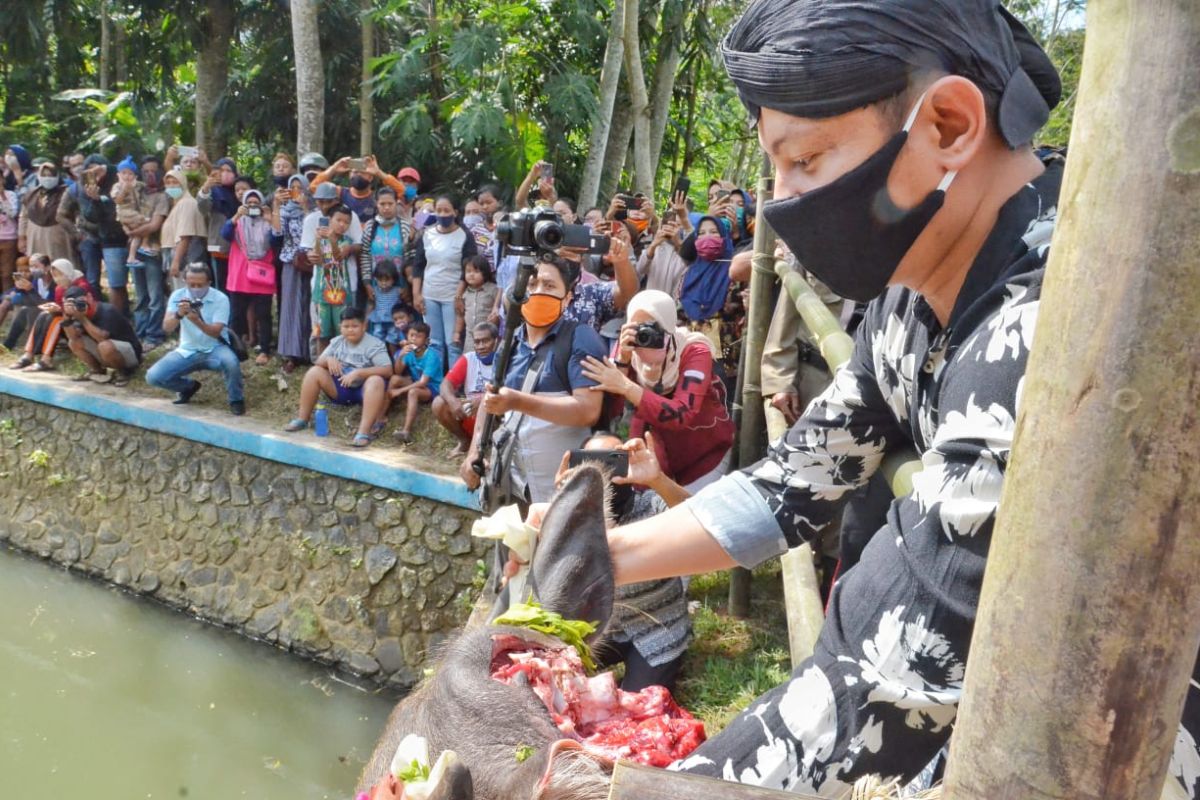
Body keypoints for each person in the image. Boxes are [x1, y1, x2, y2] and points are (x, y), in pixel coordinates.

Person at [578, 1, 1175, 795]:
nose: (780, 207)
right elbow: (796, 477)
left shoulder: (1052, 339)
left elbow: (882, 679)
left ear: (951, 125)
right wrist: (601, 558)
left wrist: (590, 785)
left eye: (810, 160)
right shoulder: (915, 293)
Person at [460, 257, 606, 504]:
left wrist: (517, 401)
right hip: (514, 485)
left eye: (549, 286)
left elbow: (587, 411)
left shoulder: (581, 338)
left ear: (568, 297)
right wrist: (474, 450)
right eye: (532, 285)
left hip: (565, 493)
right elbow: (490, 399)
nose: (539, 292)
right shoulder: (510, 344)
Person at [555, 432, 691, 692]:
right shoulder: (574, 517)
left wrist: (656, 479)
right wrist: (565, 501)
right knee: (554, 679)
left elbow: (699, 515)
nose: (605, 471)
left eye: (613, 459)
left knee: (638, 703)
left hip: (658, 627)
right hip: (600, 628)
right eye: (593, 463)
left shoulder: (651, 504)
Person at [582, 289, 734, 491]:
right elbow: (611, 406)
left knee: (686, 513)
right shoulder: (627, 346)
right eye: (638, 327)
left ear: (669, 326)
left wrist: (626, 385)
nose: (644, 334)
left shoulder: (693, 350)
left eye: (653, 327)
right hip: (655, 456)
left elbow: (681, 413)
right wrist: (623, 362)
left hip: (704, 456)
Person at [283, 306, 393, 448]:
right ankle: (302, 419)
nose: (350, 329)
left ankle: (363, 433)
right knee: (314, 372)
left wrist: (359, 373)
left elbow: (388, 370)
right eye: (346, 326)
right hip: (340, 389)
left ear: (364, 326)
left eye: (355, 326)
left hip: (365, 392)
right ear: (340, 327)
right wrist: (328, 360)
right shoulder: (337, 342)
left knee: (376, 380)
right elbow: (318, 362)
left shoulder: (374, 344)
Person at [146, 262, 245, 415]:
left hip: (215, 348)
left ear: (209, 283)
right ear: (185, 282)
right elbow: (166, 328)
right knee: (154, 376)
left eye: (200, 285)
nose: (196, 289)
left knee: (231, 363)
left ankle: (236, 399)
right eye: (192, 284)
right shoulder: (178, 296)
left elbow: (215, 331)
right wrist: (178, 315)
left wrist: (197, 321)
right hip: (187, 349)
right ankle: (188, 387)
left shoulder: (221, 299)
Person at [410, 196, 477, 368]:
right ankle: (435, 384)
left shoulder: (464, 236)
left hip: (452, 297)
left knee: (453, 343)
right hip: (429, 295)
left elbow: (467, 269)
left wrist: (459, 295)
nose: (442, 214)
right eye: (438, 210)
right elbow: (418, 266)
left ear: (455, 212)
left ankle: (453, 386)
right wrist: (416, 294)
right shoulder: (427, 234)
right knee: (434, 343)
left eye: (446, 210)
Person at [222, 189, 281, 366]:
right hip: (240, 274)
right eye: (250, 203)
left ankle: (264, 350)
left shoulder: (267, 222)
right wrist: (235, 217)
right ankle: (234, 348)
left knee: (264, 315)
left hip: (262, 274)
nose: (253, 207)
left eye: (257, 203)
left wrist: (271, 220)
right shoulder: (238, 222)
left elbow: (277, 241)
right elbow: (224, 234)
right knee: (236, 315)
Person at [9, 258, 97, 371]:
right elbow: (55, 306)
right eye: (55, 276)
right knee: (44, 314)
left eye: (60, 275)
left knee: (57, 320)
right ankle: (28, 355)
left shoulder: (81, 286)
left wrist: (62, 311)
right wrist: (31, 291)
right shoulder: (59, 288)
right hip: (67, 318)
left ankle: (46, 360)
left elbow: (81, 311)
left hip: (83, 322)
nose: (58, 279)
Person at [433, 321, 497, 455]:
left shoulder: (506, 360)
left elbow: (511, 391)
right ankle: (465, 442)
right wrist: (452, 401)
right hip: (470, 412)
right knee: (439, 403)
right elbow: (445, 384)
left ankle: (492, 447)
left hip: (495, 413)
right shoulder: (469, 358)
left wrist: (482, 400)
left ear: (496, 341)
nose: (480, 346)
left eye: (485, 341)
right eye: (477, 342)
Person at [303, 202, 359, 353]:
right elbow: (320, 261)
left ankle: (341, 364)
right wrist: (317, 240)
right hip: (321, 294)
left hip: (342, 294)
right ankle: (322, 366)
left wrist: (332, 240)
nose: (342, 225)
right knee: (321, 333)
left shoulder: (346, 241)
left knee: (342, 332)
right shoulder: (321, 239)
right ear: (329, 219)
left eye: (346, 222)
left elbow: (338, 257)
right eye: (338, 220)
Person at [61, 285, 142, 385]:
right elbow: (73, 337)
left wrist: (83, 319)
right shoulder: (78, 312)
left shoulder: (107, 310)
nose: (79, 305)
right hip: (105, 352)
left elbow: (102, 338)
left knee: (104, 346)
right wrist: (67, 318)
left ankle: (123, 373)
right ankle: (97, 370)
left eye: (80, 301)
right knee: (74, 343)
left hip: (129, 354)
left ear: (89, 297)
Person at [277, 173, 314, 372]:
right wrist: (276, 206)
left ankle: (309, 352)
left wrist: (306, 207)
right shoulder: (285, 211)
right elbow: (277, 233)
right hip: (291, 262)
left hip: (311, 262)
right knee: (291, 306)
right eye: (294, 188)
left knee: (310, 306)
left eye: (301, 188)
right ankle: (290, 354)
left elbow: (315, 230)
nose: (297, 192)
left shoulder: (315, 211)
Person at [387, 321, 442, 445]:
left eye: (418, 336)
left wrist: (399, 391)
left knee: (413, 392)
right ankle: (382, 415)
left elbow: (423, 382)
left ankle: (406, 431)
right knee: (394, 379)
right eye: (411, 335)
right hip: (416, 381)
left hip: (432, 388)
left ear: (426, 340)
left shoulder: (431, 356)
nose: (414, 339)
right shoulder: (409, 352)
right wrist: (400, 356)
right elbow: (397, 371)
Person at [359, 187, 411, 304]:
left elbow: (409, 257)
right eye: (382, 204)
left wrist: (408, 285)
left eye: (390, 204)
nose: (386, 208)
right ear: (376, 204)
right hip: (377, 285)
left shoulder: (405, 227)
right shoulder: (370, 227)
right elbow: (365, 256)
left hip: (401, 286)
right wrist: (367, 283)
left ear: (396, 204)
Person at [159, 167, 208, 289]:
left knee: (185, 296)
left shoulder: (187, 203)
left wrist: (176, 263)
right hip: (178, 256)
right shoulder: (177, 203)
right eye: (168, 183)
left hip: (185, 259)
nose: (171, 186)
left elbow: (185, 236)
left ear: (183, 183)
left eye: (175, 182)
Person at [16, 162, 74, 264]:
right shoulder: (31, 195)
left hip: (59, 239)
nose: (47, 178)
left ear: (57, 176)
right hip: (35, 238)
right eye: (44, 175)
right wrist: (22, 237)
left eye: (51, 175)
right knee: (38, 266)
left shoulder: (67, 193)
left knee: (60, 266)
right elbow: (23, 217)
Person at [455, 254, 499, 355]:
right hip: (471, 336)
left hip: (489, 334)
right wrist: (457, 332)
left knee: (488, 357)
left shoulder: (493, 290)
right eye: (468, 271)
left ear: (485, 273)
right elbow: (460, 315)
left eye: (476, 271)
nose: (471, 275)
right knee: (470, 358)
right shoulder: (465, 293)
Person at [112, 156, 151, 267]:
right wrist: (124, 189)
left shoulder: (136, 185)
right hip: (125, 213)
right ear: (118, 175)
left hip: (133, 213)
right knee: (147, 222)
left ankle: (131, 257)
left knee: (137, 234)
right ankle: (145, 244)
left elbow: (146, 186)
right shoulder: (117, 186)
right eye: (123, 173)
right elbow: (118, 200)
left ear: (135, 176)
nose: (127, 176)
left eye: (130, 174)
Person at [366, 259, 403, 342]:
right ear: (376, 279)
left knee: (393, 337)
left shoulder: (398, 291)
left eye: (387, 280)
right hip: (379, 318)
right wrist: (366, 318)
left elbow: (404, 304)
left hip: (392, 320)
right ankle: (379, 353)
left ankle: (392, 354)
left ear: (393, 279)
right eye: (380, 280)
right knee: (377, 335)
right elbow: (371, 304)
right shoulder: (374, 291)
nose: (383, 283)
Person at [0, 182, 17, 291]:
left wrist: (3, 196)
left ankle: (6, 300)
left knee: (7, 273)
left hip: (9, 238)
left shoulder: (11, 195)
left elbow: (13, 213)